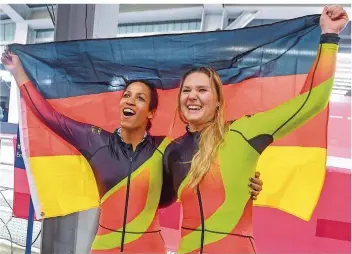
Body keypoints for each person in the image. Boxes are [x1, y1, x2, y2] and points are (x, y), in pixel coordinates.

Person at [1, 51, 263, 253]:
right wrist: (18, 72)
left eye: (140, 98)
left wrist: (244, 183)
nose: (130, 100)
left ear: (150, 112)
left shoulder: (166, 149)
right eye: (127, 95)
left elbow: (195, 176)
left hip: (149, 248)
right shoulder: (96, 141)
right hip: (105, 247)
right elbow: (48, 115)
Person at [163, 5, 348, 254]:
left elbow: (311, 101)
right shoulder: (172, 151)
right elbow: (154, 198)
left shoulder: (244, 131)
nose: (192, 96)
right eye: (186, 90)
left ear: (218, 100)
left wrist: (329, 37)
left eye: (202, 90)